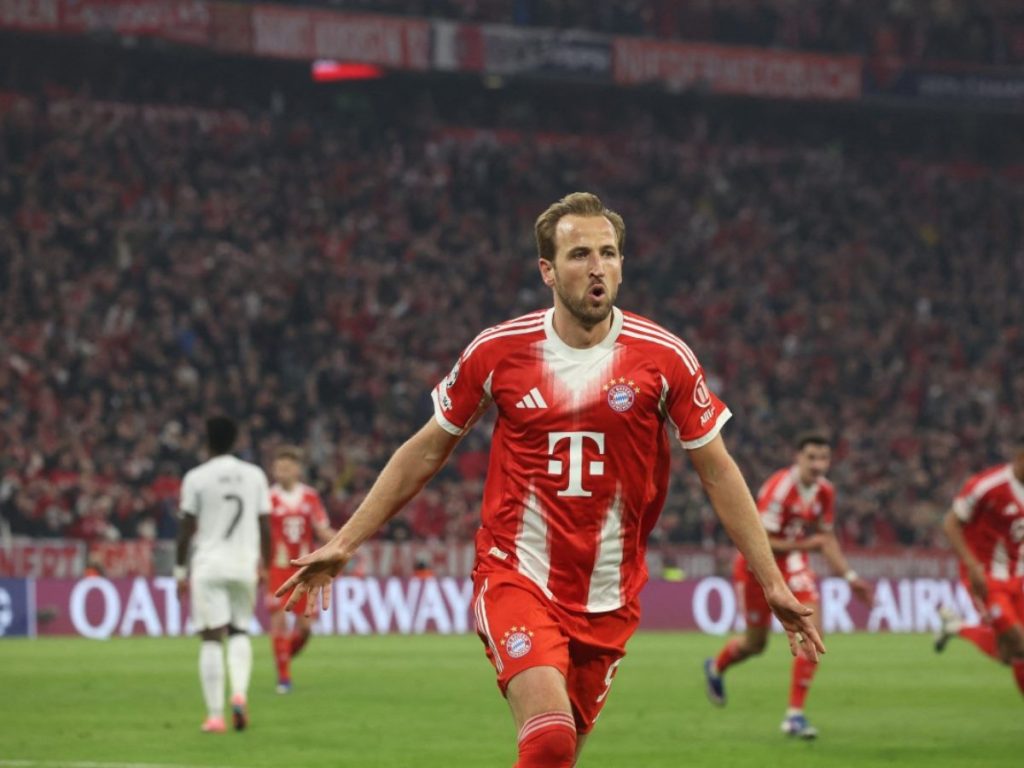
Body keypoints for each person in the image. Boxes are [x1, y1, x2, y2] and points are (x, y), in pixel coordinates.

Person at [277, 192, 824, 767]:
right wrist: (344, 542)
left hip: (609, 597)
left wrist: (772, 582)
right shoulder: (499, 351)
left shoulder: (665, 358)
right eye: (580, 254)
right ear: (547, 270)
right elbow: (425, 450)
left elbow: (717, 471)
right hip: (518, 576)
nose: (597, 267)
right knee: (550, 737)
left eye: (609, 253)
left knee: (556, 758)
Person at [704, 431, 872, 739]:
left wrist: (849, 577)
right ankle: (716, 666)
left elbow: (827, 538)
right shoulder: (780, 489)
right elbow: (760, 541)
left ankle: (794, 715)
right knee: (756, 644)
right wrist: (809, 544)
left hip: (794, 567)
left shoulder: (825, 491)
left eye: (824, 458)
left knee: (813, 631)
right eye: (812, 457)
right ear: (798, 458)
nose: (818, 464)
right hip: (757, 567)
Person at [175, 416, 272, 733]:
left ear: (207, 441)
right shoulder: (254, 475)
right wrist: (267, 566)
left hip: (209, 565)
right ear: (235, 440)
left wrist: (179, 572)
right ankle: (240, 696)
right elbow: (265, 526)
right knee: (240, 630)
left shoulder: (196, 477)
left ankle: (215, 715)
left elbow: (186, 529)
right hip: (244, 565)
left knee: (211, 638)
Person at [934, 435, 1024, 697]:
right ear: (1019, 459)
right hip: (987, 577)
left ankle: (956, 627)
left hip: (1018, 577)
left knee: (1008, 655)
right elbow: (951, 523)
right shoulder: (987, 485)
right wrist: (972, 566)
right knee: (1019, 644)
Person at [265, 445, 334, 693]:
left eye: (287, 467)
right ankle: (284, 677)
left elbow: (321, 528)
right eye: (278, 467)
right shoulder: (267, 498)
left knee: (305, 629)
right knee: (279, 621)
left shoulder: (310, 496)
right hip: (278, 568)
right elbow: (259, 535)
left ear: (297, 470)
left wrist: (343, 542)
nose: (281, 472)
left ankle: (283, 656)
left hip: (306, 569)